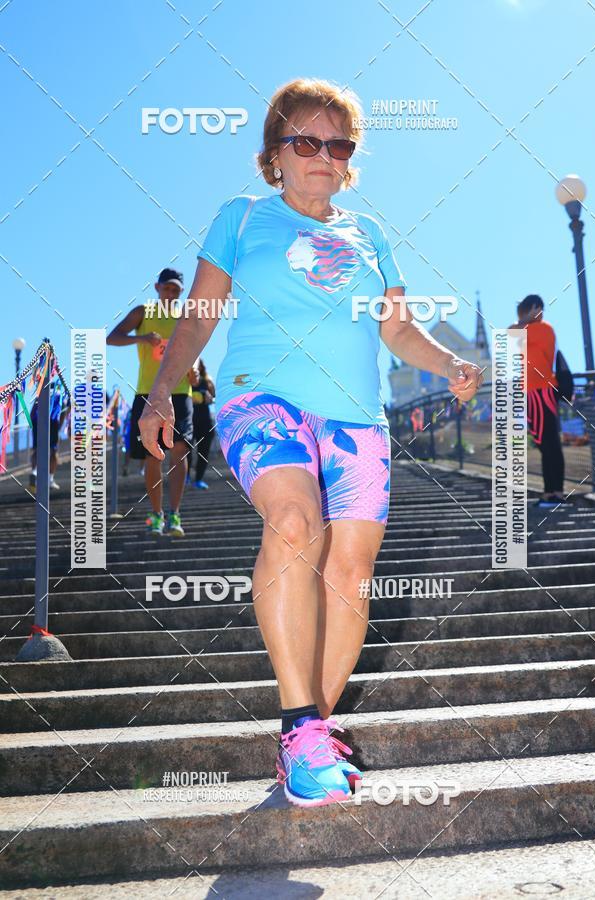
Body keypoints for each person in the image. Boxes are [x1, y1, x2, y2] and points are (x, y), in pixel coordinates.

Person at [138, 78, 483, 806]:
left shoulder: (370, 233)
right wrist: (163, 389)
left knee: (351, 571)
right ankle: (299, 726)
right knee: (296, 522)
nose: (324, 155)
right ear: (275, 154)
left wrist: (448, 362)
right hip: (261, 398)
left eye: (339, 145)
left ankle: (312, 733)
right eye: (306, 141)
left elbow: (397, 330)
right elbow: (199, 316)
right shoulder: (241, 218)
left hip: (355, 417)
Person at [106, 268, 195, 536]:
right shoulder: (143, 312)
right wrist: (142, 338)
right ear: (157, 287)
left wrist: (195, 369)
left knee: (180, 449)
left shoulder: (186, 315)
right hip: (149, 390)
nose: (171, 293)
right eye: (167, 288)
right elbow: (112, 338)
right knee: (153, 453)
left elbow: (193, 349)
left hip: (181, 390)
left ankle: (175, 513)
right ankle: (156, 514)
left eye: (176, 290)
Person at [510, 294, 570, 508]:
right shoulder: (527, 330)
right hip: (531, 393)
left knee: (551, 443)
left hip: (543, 391)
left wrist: (525, 319)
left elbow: (511, 333)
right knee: (544, 445)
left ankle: (557, 493)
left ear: (534, 308)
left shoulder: (543, 329)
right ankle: (549, 493)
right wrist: (525, 320)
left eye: (525, 310)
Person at [29, 383, 70, 493]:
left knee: (37, 449)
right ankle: (50, 479)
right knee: (54, 450)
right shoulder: (60, 396)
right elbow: (63, 411)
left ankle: (34, 472)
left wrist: (32, 425)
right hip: (52, 421)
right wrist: (59, 428)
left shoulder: (40, 395)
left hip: (37, 420)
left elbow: (32, 412)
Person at [189, 357, 216, 489]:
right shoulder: (182, 381)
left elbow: (214, 397)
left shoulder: (207, 381)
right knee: (185, 451)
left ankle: (198, 479)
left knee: (203, 452)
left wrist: (210, 398)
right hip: (188, 421)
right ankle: (185, 477)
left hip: (205, 421)